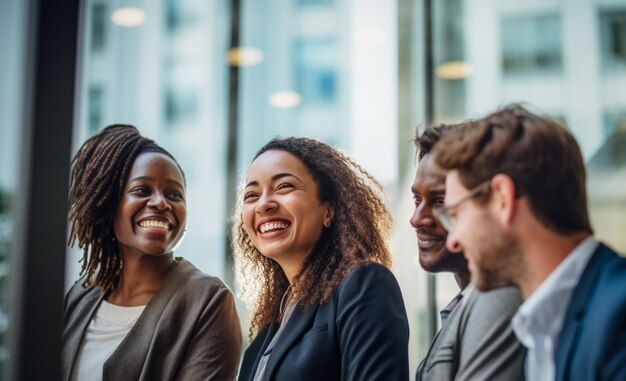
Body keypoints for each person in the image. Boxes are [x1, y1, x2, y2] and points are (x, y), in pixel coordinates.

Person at [431, 105, 626, 381]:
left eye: (455, 214)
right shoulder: (544, 324)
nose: (453, 241)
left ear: (502, 198)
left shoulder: (617, 314)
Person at [62, 125, 242, 381]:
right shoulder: (81, 296)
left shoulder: (207, 300)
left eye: (174, 194)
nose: (161, 202)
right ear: (108, 203)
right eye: (142, 190)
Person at [234, 137, 409, 380]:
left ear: (329, 210)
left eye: (284, 186)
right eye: (251, 195)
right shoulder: (269, 328)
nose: (263, 204)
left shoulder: (364, 283)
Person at [411, 124, 525, 380]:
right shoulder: (464, 306)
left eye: (441, 202)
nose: (417, 219)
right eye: (417, 200)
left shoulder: (499, 299)